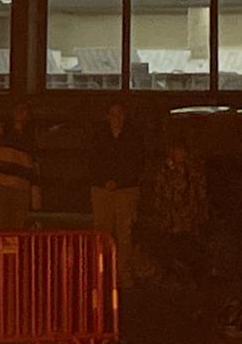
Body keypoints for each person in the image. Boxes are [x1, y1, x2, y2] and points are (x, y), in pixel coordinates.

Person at [87, 101, 143, 276]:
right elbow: (92, 161)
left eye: (119, 114)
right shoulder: (98, 137)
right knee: (102, 231)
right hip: (102, 189)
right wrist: (105, 181)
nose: (116, 118)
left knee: (124, 233)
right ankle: (101, 271)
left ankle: (123, 273)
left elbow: (137, 163)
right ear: (107, 116)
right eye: (113, 114)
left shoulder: (134, 137)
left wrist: (118, 181)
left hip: (125, 190)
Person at [146, 139, 209, 289]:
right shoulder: (164, 171)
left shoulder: (193, 170)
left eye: (181, 151)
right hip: (171, 219)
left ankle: (191, 278)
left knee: (189, 248)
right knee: (171, 248)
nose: (179, 154)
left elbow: (200, 193)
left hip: (189, 219)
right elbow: (159, 193)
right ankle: (173, 278)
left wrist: (200, 213)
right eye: (176, 151)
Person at [0, 102, 40, 230]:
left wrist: (35, 195)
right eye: (18, 109)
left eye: (24, 110)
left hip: (21, 190)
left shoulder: (30, 139)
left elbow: (34, 168)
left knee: (16, 228)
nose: (20, 113)